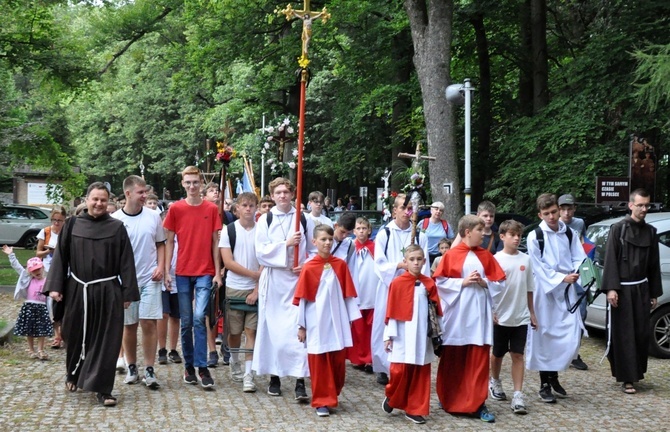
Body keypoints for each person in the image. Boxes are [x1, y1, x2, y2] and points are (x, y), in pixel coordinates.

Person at [44, 182, 139, 407]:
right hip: (77, 288)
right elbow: (61, 257)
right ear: (86, 200)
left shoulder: (117, 227)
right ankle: (73, 374)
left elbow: (127, 262)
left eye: (103, 200)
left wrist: (127, 292)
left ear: (109, 203)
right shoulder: (72, 224)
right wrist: (56, 286)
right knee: (73, 333)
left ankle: (103, 389)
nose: (99, 203)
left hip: (107, 290)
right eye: (95, 199)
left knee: (107, 338)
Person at [434, 215, 506, 422]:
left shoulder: (486, 255)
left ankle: (477, 403)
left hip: (479, 316)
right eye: (479, 231)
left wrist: (485, 283)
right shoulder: (451, 255)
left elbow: (500, 284)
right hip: (457, 315)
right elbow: (438, 282)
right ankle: (449, 398)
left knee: (477, 361)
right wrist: (462, 283)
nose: (483, 235)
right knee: (454, 359)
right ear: (467, 232)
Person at [254, 177, 314, 399]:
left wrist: (305, 265)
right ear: (272, 195)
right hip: (274, 282)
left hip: (296, 280)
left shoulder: (304, 219)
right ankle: (275, 377)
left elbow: (315, 249)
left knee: (297, 330)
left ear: (292, 194)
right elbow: (260, 251)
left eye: (286, 192)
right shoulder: (265, 220)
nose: (282, 196)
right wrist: (286, 245)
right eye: (278, 192)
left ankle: (300, 381)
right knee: (274, 333)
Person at [163, 166, 223, 389]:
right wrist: (168, 270)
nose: (192, 186)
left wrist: (217, 272)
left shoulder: (211, 208)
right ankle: (189, 365)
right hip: (182, 271)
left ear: (201, 183)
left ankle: (202, 366)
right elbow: (169, 241)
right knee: (186, 321)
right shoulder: (176, 209)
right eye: (188, 182)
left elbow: (215, 242)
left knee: (200, 317)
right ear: (183, 184)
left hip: (205, 271)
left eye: (195, 182)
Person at [294, 224, 361, 417]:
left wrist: (351, 320)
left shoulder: (340, 265)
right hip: (316, 321)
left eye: (330, 239)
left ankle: (333, 393)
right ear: (314, 242)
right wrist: (302, 326)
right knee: (319, 361)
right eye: (323, 239)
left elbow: (348, 295)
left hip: (338, 321)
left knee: (338, 361)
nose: (327, 243)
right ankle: (321, 401)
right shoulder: (309, 267)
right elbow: (303, 299)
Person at [525, 193, 585, 403]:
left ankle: (554, 375)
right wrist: (561, 277)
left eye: (554, 212)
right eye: (546, 213)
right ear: (540, 214)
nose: (551, 217)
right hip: (544, 291)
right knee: (545, 336)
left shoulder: (568, 232)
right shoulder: (535, 236)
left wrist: (577, 272)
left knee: (568, 334)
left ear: (559, 210)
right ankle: (544, 383)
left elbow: (579, 256)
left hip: (566, 290)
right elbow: (539, 267)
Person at [602, 188, 662, 394]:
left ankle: (637, 373)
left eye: (647, 205)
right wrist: (611, 288)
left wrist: (654, 292)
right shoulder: (618, 229)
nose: (644, 209)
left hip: (642, 289)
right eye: (640, 205)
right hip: (623, 290)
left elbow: (654, 264)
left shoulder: (651, 232)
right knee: (625, 334)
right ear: (631, 205)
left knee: (641, 333)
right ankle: (627, 378)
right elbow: (610, 259)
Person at [113, 175, 166, 389]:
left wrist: (161, 267)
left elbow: (161, 243)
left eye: (145, 192)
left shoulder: (154, 217)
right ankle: (132, 365)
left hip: (150, 277)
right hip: (126, 281)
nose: (145, 196)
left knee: (149, 322)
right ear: (128, 194)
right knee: (128, 325)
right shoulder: (116, 219)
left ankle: (150, 368)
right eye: (141, 192)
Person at [372, 193, 430, 385]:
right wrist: (398, 266)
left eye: (410, 208)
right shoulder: (385, 233)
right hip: (391, 286)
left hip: (414, 288)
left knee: (410, 325)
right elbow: (379, 264)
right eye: (403, 208)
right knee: (386, 324)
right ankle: (383, 366)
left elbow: (426, 264)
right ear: (394, 210)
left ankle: (409, 362)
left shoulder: (420, 235)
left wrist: (423, 282)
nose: (407, 212)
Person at [382, 245, 442, 425]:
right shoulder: (397, 283)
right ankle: (393, 397)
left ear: (424, 261)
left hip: (422, 334)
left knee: (420, 371)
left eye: (419, 259)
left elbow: (437, 310)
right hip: (401, 332)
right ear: (406, 262)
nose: (416, 263)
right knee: (399, 371)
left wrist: (439, 335)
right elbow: (391, 310)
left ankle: (415, 409)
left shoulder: (429, 283)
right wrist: (388, 336)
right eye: (412, 260)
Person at [489, 220, 537, 415]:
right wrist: (491, 311)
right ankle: (495, 381)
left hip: (520, 315)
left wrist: (532, 312)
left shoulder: (525, 259)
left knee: (518, 354)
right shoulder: (495, 259)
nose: (517, 238)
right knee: (498, 353)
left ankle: (518, 394)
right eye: (512, 235)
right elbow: (490, 288)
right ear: (502, 237)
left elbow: (529, 289)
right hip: (500, 316)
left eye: (519, 235)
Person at [219, 192, 262, 392]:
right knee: (234, 332)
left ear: (256, 208)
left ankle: (248, 373)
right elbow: (228, 262)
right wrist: (252, 274)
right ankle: (234, 361)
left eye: (251, 205)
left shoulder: (263, 230)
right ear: (237, 209)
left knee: (251, 331)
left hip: (256, 287)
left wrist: (256, 285)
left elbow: (266, 259)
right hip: (235, 287)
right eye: (244, 205)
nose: (248, 209)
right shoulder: (229, 230)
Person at [3, 247, 53, 360]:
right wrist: (11, 255)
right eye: (34, 270)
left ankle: (40, 349)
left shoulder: (47, 280)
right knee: (29, 329)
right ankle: (31, 350)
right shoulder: (27, 278)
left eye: (38, 269)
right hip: (30, 306)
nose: (36, 272)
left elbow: (52, 292)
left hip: (42, 307)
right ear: (30, 272)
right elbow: (17, 267)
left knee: (42, 330)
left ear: (42, 267)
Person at [557, 193, 589, 371]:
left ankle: (575, 353)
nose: (567, 213)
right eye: (563, 209)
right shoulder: (555, 225)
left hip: (579, 276)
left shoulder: (580, 223)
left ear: (574, 209)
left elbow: (585, 245)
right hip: (561, 277)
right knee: (561, 315)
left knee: (581, 313)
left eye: (570, 209)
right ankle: (561, 351)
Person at [347, 217, 379, 372]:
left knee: (371, 328)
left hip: (372, 292)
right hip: (357, 293)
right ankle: (358, 358)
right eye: (358, 228)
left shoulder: (375, 247)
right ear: (353, 231)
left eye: (364, 228)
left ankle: (370, 359)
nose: (361, 231)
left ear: (369, 230)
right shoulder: (351, 247)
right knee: (358, 328)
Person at [36, 206, 67, 349]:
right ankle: (57, 335)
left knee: (64, 303)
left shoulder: (68, 231)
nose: (56, 223)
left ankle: (64, 333)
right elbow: (38, 253)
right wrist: (49, 250)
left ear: (64, 220)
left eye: (59, 220)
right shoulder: (45, 232)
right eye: (54, 220)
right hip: (49, 270)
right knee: (52, 304)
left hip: (66, 270)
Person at [157, 226, 182, 366]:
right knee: (163, 314)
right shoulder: (159, 241)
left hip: (178, 280)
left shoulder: (179, 240)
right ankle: (161, 348)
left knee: (175, 316)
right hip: (160, 281)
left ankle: (173, 348)